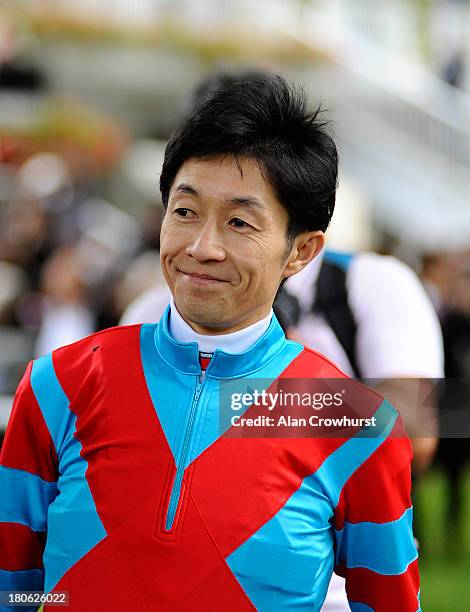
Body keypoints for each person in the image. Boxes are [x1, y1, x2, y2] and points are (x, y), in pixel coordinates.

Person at [0, 75, 419, 611]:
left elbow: (390, 602)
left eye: (240, 222)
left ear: (302, 251)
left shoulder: (354, 418)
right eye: (184, 211)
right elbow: (13, 583)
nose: (202, 247)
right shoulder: (58, 382)